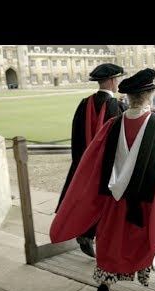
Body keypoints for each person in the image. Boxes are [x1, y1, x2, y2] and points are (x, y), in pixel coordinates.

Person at [50, 68, 155, 291]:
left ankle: (105, 284)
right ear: (149, 95)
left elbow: (96, 162)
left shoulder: (113, 124)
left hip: (115, 198)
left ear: (128, 97)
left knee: (112, 241)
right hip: (147, 200)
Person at [56, 63, 128, 258]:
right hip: (107, 168)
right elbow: (120, 142)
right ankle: (104, 241)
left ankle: (86, 233)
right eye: (117, 79)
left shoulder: (84, 103)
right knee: (108, 204)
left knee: (85, 200)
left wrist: (80, 164)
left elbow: (76, 137)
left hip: (84, 164)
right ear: (113, 81)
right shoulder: (117, 106)